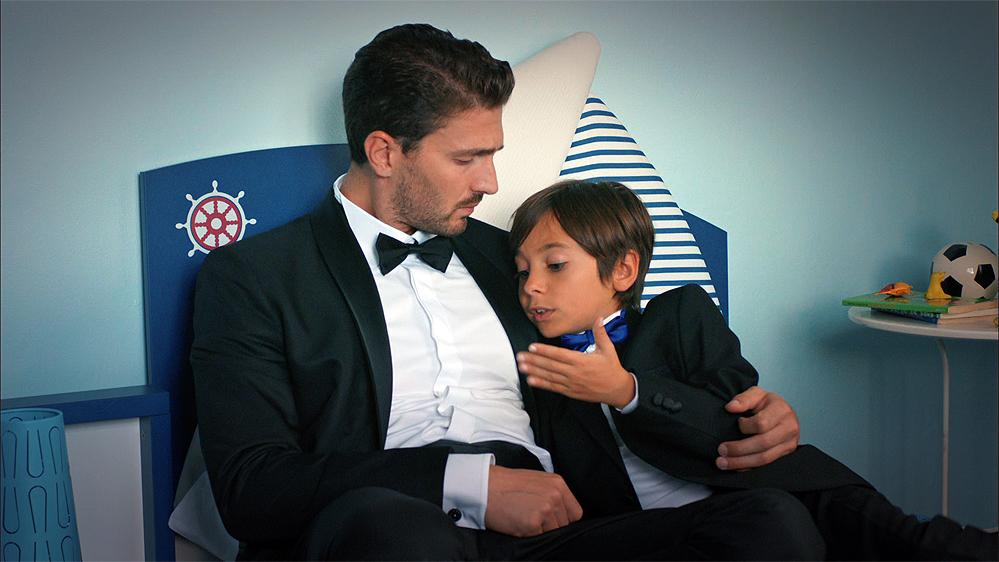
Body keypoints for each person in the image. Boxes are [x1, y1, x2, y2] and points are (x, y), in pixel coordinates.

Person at [191, 24, 825, 560]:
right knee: (398, 536)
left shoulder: (520, 263)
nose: (491, 183)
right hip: (395, 524)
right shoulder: (255, 277)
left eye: (493, 155)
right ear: (384, 153)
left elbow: (629, 359)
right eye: (466, 158)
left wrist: (744, 416)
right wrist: (468, 485)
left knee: (768, 523)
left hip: (557, 526)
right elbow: (252, 487)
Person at [511, 179, 999, 561]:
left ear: (623, 270)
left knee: (908, 538)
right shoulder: (532, 369)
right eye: (522, 270)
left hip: (761, 483)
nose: (531, 286)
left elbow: (735, 425)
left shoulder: (680, 316)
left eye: (555, 265)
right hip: (670, 531)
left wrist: (629, 392)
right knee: (776, 521)